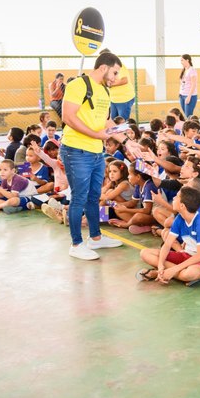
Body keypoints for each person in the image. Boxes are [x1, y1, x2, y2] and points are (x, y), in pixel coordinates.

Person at [60, 52, 141, 260]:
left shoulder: (104, 91)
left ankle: (95, 238)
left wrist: (126, 141)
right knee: (79, 197)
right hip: (76, 150)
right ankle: (76, 244)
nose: (116, 78)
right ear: (103, 67)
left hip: (96, 152)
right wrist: (96, 135)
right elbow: (67, 116)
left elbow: (106, 122)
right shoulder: (78, 85)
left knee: (93, 196)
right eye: (114, 72)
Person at [136, 186, 200, 286]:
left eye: (177, 197)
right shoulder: (180, 218)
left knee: (190, 273)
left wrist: (174, 269)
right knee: (145, 253)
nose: (174, 198)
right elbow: (167, 245)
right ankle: (168, 273)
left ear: (182, 206)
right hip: (186, 255)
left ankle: (158, 273)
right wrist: (161, 264)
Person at [102, 49, 136, 120]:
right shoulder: (106, 69)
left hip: (124, 99)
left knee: (122, 124)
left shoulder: (119, 66)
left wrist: (109, 84)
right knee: (114, 123)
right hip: (113, 100)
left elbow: (124, 80)